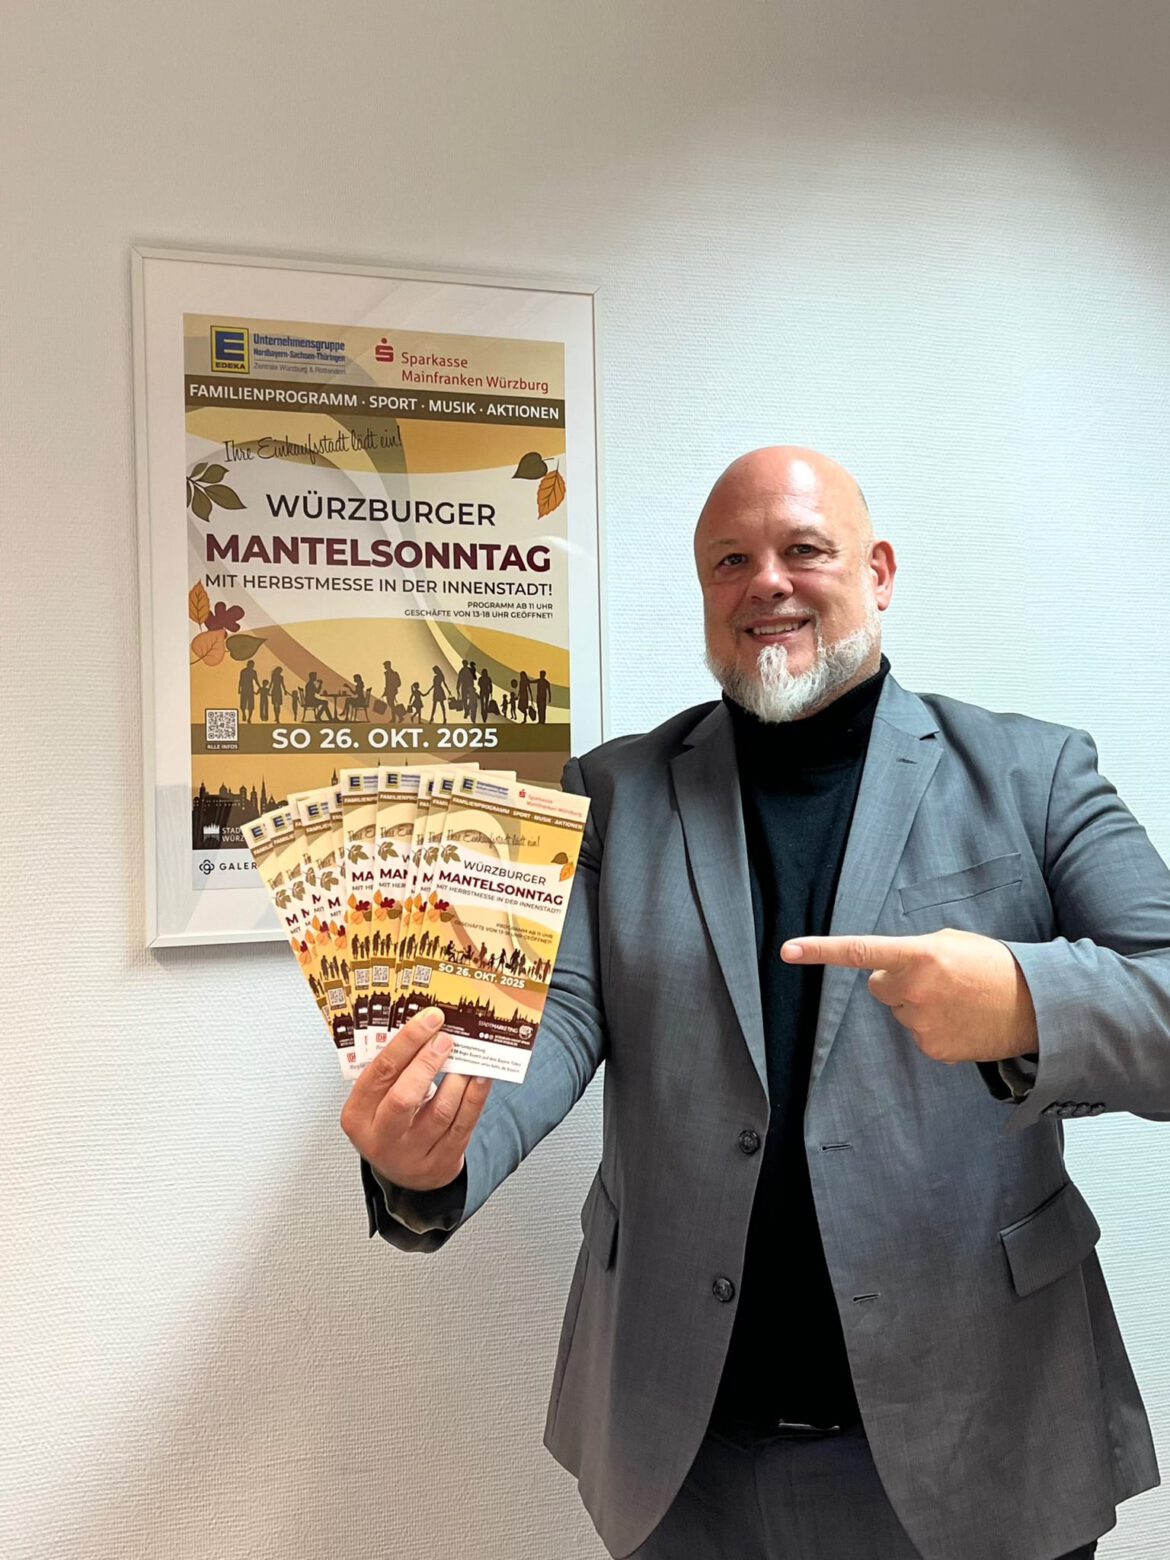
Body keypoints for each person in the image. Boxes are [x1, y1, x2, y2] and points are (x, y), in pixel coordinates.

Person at [342, 448, 1170, 1560]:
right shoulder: (614, 792)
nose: (765, 582)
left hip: (981, 1429)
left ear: (878, 571)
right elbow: (560, 1016)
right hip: (680, 1456)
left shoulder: (1034, 774)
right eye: (729, 561)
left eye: (803, 550)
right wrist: (433, 1157)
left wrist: (1026, 1002)